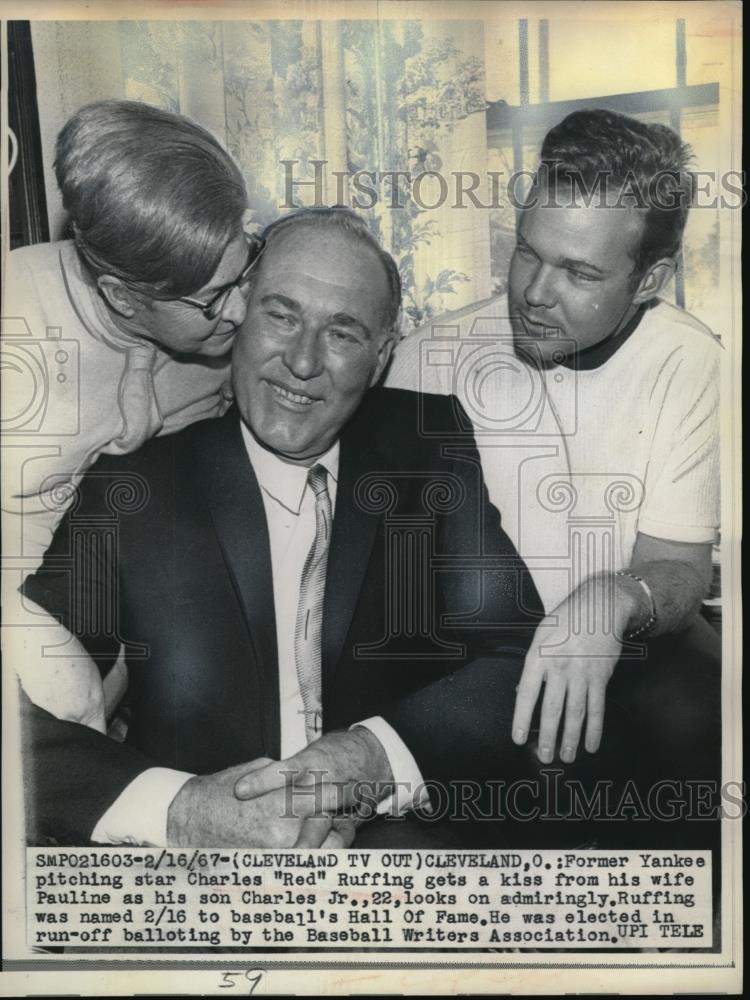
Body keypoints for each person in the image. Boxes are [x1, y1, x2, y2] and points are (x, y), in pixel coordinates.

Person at [19, 208, 543, 848]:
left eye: (342, 334)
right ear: (239, 316)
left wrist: (371, 761)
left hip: (395, 849)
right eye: (281, 315)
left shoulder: (429, 446)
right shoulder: (136, 487)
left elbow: (516, 655)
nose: (301, 362)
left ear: (381, 356)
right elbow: (20, 720)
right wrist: (180, 811)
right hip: (202, 880)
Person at [386, 109, 721, 779]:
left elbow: (679, 567)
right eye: (527, 252)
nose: (534, 294)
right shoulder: (428, 359)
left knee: (701, 714)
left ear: (649, 281)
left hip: (626, 659)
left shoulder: (689, 359)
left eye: (579, 273)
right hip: (460, 666)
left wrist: (614, 598)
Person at [2, 99, 261, 718]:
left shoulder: (226, 329)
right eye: (211, 300)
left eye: (243, 272)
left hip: (140, 614)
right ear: (121, 295)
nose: (240, 313)